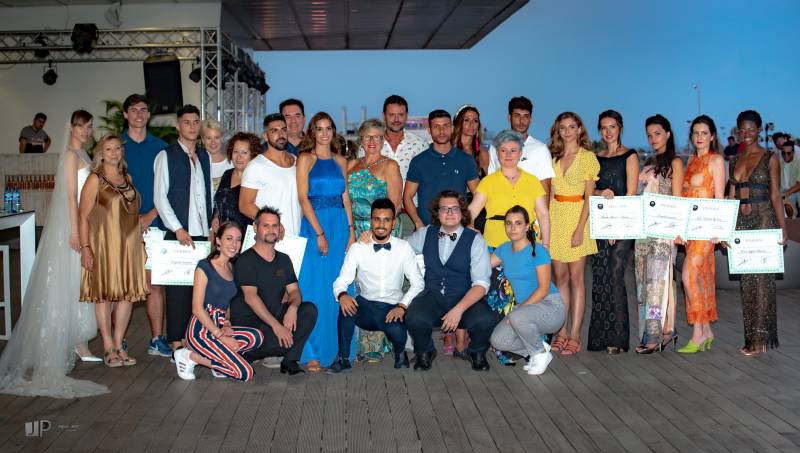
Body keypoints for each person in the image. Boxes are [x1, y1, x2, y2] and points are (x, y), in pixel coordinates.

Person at [0, 110, 108, 398]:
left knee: (81, 282)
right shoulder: (71, 156)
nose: (86, 131)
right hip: (73, 228)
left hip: (89, 224)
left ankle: (79, 339)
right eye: (81, 127)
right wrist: (75, 232)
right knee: (69, 281)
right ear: (70, 128)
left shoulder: (85, 155)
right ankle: (71, 339)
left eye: (89, 127)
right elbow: (71, 198)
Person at [467, 129, 550, 360]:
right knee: (496, 298)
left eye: (513, 150)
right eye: (503, 151)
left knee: (525, 297)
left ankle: (531, 347)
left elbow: (543, 214)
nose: (508, 155)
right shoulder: (488, 181)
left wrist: (546, 244)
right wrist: (471, 229)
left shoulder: (532, 181)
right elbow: (472, 211)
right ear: (497, 153)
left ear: (521, 153)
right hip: (495, 245)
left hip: (526, 247)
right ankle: (502, 347)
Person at [328, 199, 424, 372]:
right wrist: (342, 296)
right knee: (346, 309)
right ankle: (342, 358)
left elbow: (418, 283)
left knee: (397, 330)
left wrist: (402, 306)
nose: (381, 224)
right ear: (371, 221)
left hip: (393, 307)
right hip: (366, 306)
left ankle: (400, 352)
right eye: (377, 219)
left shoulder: (403, 248)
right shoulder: (357, 248)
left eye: (386, 220)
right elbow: (341, 281)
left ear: (393, 223)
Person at [404, 190, 496, 371]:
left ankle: (476, 351)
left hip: (464, 297)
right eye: (444, 209)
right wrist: (372, 239)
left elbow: (482, 284)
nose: (450, 213)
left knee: (485, 319)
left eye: (454, 209)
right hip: (433, 296)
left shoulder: (475, 240)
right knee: (414, 316)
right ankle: (425, 351)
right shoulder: (425, 234)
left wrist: (459, 310)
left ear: (462, 212)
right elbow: (399, 249)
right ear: (437, 213)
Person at [79, 134, 148, 367]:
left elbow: (134, 214)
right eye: (108, 149)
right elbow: (83, 216)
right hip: (103, 245)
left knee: (127, 294)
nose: (114, 153)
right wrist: (86, 248)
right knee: (105, 295)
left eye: (117, 148)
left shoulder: (126, 177)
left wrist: (140, 243)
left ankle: (119, 343)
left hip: (128, 246)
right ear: (100, 153)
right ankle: (108, 345)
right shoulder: (94, 179)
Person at [296, 112, 356, 371]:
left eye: (328, 128)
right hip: (314, 226)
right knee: (313, 287)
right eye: (319, 129)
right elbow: (302, 198)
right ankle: (311, 351)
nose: (324, 133)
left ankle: (340, 350)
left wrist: (351, 230)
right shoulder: (305, 159)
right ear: (313, 132)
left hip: (340, 225)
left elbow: (345, 198)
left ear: (333, 131)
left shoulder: (341, 160)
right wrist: (319, 233)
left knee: (340, 284)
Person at [229, 207, 318, 374]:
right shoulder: (245, 260)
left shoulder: (284, 259)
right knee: (276, 339)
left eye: (275, 226)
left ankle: (290, 360)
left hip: (274, 318)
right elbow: (251, 298)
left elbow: (295, 292)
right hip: (251, 324)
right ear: (256, 228)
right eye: (266, 225)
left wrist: (292, 308)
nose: (271, 230)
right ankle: (246, 353)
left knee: (309, 310)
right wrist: (277, 327)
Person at [153, 104, 212, 351]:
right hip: (178, 233)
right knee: (177, 290)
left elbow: (206, 193)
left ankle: (194, 339)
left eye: (195, 122)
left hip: (201, 232)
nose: (191, 126)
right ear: (178, 126)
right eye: (186, 122)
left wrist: (210, 226)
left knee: (199, 289)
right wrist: (177, 228)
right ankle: (176, 341)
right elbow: (160, 197)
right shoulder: (165, 155)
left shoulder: (204, 156)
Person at [729, 110, 788, 356]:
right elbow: (731, 197)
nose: (747, 134)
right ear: (738, 131)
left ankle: (760, 339)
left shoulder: (770, 158)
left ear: (759, 130)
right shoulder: (734, 160)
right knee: (747, 281)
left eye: (751, 129)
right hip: (741, 221)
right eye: (742, 130)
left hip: (764, 217)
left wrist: (783, 230)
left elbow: (775, 194)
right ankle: (750, 336)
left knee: (762, 281)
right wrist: (726, 229)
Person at [174, 221, 265, 381]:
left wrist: (226, 323)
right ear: (218, 241)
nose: (234, 244)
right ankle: (190, 357)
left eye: (238, 239)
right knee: (245, 373)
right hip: (200, 331)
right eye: (229, 238)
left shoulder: (232, 268)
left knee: (256, 336)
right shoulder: (204, 267)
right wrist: (221, 337)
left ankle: (222, 360)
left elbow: (227, 302)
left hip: (219, 325)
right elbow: (197, 309)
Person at [347, 119, 403, 362]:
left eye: (377, 137)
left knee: (378, 287)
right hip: (354, 231)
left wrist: (376, 231)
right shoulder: (351, 165)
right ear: (361, 139)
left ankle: (377, 346)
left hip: (380, 231)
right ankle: (359, 342)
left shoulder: (390, 166)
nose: (372, 142)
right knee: (359, 287)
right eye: (368, 137)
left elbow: (396, 205)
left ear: (383, 141)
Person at [121, 93, 171, 358]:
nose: (139, 114)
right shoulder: (115, 145)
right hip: (120, 226)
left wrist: (150, 215)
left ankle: (156, 339)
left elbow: (167, 190)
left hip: (154, 224)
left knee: (154, 285)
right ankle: (119, 341)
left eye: (143, 109)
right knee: (120, 284)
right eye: (134, 110)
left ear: (148, 115)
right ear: (125, 115)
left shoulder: (161, 147)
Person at [489, 206, 565, 375]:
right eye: (508, 223)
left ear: (527, 225)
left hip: (550, 307)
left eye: (518, 223)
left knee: (516, 315)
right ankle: (539, 349)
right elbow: (482, 266)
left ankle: (538, 353)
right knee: (498, 340)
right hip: (525, 311)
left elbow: (544, 289)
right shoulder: (504, 249)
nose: (513, 228)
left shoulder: (537, 250)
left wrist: (519, 309)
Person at [587, 110, 639, 354]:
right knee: (600, 277)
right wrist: (599, 193)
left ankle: (617, 339)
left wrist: (616, 227)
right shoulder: (595, 158)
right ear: (599, 130)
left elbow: (630, 195)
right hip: (599, 225)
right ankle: (599, 337)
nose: (608, 132)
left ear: (620, 128)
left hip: (622, 224)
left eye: (613, 127)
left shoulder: (630, 156)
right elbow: (589, 192)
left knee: (616, 277)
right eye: (604, 128)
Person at [548, 112, 599, 356]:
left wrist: (580, 229)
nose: (567, 131)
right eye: (562, 127)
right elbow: (548, 193)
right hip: (556, 216)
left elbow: (590, 197)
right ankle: (561, 331)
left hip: (579, 217)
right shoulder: (553, 157)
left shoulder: (588, 158)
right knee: (560, 281)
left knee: (577, 279)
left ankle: (575, 334)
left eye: (571, 127)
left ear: (579, 129)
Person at [634, 114, 684, 354]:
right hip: (644, 233)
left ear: (668, 134)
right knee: (644, 284)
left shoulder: (675, 163)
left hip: (663, 234)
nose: (653, 138)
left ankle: (653, 336)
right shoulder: (649, 163)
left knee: (657, 284)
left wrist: (677, 231)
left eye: (657, 133)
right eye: (649, 134)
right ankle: (666, 329)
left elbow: (677, 199)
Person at [677, 115, 726, 354]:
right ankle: (706, 331)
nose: (699, 137)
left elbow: (720, 198)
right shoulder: (690, 162)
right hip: (690, 231)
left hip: (707, 230)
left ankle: (697, 333)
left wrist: (719, 229)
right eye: (695, 133)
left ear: (712, 136)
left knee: (687, 276)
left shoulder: (716, 161)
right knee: (700, 279)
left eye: (704, 133)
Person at [404, 109, 480, 229]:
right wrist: (418, 223)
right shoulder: (419, 161)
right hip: (427, 230)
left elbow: (478, 194)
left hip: (458, 230)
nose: (441, 131)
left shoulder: (466, 160)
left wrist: (469, 222)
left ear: (452, 128)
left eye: (445, 126)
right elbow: (407, 196)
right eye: (436, 126)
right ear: (429, 130)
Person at [239, 113, 301, 235]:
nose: (280, 134)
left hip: (296, 237)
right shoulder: (256, 166)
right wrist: (272, 225)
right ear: (266, 136)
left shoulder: (296, 161)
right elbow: (245, 205)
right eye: (274, 131)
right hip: (268, 238)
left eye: (283, 130)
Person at [487, 96, 554, 196]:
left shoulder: (540, 149)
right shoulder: (495, 147)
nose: (521, 121)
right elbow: (490, 184)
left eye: (526, 116)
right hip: (499, 210)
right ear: (509, 117)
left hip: (530, 211)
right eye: (517, 115)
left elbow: (545, 190)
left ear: (530, 119)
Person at [212, 132, 260, 232]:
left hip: (247, 236)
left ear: (253, 154)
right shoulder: (227, 174)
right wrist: (216, 217)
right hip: (225, 236)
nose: (239, 157)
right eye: (236, 152)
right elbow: (219, 201)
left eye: (244, 153)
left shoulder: (256, 179)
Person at [452, 105, 490, 177]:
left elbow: (484, 183)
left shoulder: (482, 153)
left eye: (475, 121)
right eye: (467, 120)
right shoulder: (449, 149)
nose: (471, 124)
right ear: (459, 123)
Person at [201, 119, 233, 198]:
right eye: (209, 138)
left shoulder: (232, 164)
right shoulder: (197, 164)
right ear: (202, 140)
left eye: (216, 137)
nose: (213, 142)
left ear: (222, 138)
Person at [778, 140, 800, 217]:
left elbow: (798, 186)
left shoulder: (798, 163)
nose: (786, 155)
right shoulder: (779, 163)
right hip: (783, 192)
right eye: (783, 153)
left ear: (793, 153)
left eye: (788, 153)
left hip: (795, 192)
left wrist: (784, 195)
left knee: (787, 205)